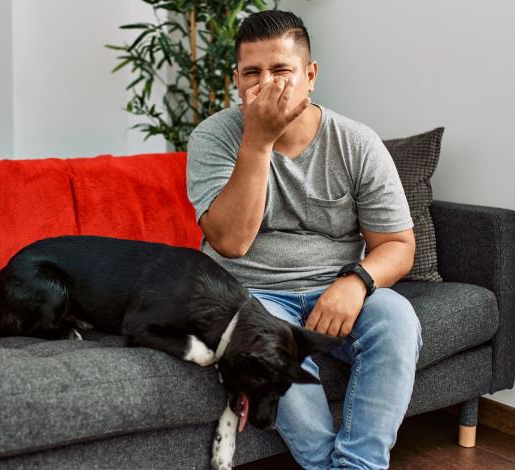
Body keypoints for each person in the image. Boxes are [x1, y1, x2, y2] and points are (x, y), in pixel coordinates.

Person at [186, 10, 422, 470]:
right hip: (248, 294)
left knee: (397, 317)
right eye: (252, 73)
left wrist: (355, 282)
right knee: (263, 340)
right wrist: (257, 142)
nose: (267, 84)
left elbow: (398, 244)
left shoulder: (357, 142)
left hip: (335, 287)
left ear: (310, 75)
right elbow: (232, 242)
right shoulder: (213, 137)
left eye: (281, 70)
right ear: (237, 80)